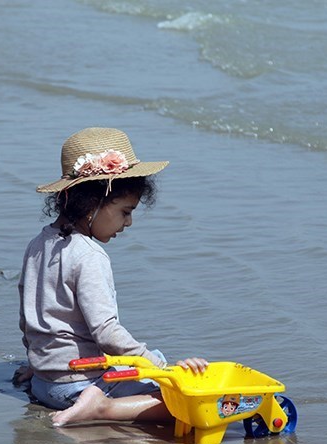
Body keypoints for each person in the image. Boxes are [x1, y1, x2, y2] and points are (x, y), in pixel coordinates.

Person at [18, 127, 208, 427]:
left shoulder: (38, 244)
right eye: (125, 211)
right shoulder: (89, 256)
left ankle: (91, 396)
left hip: (45, 382)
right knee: (183, 403)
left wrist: (37, 364)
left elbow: (28, 318)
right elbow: (106, 333)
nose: (129, 222)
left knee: (151, 358)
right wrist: (162, 368)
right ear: (92, 203)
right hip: (82, 385)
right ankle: (101, 408)